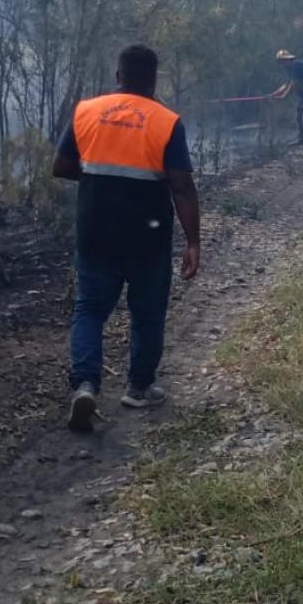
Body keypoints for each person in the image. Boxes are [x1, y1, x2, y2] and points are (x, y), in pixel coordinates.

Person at [53, 44, 201, 432]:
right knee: (147, 311)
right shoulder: (167, 122)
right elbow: (182, 186)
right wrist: (193, 242)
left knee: (89, 309)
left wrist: (99, 175)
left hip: (95, 232)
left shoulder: (86, 111)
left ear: (118, 75)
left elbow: (61, 166)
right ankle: (139, 386)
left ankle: (85, 384)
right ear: (153, 79)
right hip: (147, 237)